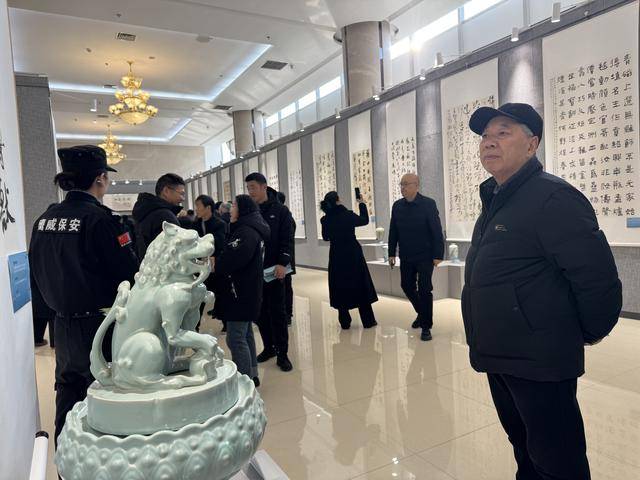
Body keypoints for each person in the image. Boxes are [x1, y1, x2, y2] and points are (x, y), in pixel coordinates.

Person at [464, 103, 622, 479]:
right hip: (500, 355)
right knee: (524, 448)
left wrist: (581, 333)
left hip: (539, 361)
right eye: (485, 135)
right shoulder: (496, 199)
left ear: (532, 144)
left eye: (503, 132)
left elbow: (597, 280)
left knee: (558, 461)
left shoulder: (553, 198)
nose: (489, 142)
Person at [28, 145, 139, 445]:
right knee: (105, 396)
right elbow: (129, 274)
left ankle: (65, 455)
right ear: (100, 178)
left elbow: (35, 272)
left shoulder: (44, 221)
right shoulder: (102, 221)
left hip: (61, 326)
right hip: (100, 326)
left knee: (67, 390)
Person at [214, 194, 270, 387]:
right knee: (245, 334)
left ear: (243, 209)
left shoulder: (245, 232)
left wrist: (218, 262)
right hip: (247, 289)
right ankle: (251, 375)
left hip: (240, 291)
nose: (231, 209)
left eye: (234, 206)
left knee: (235, 338)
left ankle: (244, 381)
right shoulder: (250, 228)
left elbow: (233, 260)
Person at [245, 172, 294, 372]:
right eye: (248, 188)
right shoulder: (250, 211)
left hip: (274, 270)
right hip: (254, 272)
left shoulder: (280, 211)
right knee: (259, 312)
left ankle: (283, 354)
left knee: (277, 312)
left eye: (253, 187)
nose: (250, 192)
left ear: (264, 187)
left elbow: (286, 238)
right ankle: (269, 347)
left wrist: (283, 263)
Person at [388, 173, 445, 341]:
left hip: (425, 255)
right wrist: (391, 252)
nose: (403, 188)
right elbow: (393, 230)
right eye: (401, 184)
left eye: (406, 184)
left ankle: (426, 326)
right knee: (406, 285)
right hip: (406, 255)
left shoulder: (428, 204)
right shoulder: (397, 206)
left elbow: (436, 230)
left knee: (425, 289)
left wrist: (438, 254)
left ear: (416, 185)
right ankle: (422, 313)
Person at [320, 191, 378, 329]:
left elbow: (325, 237)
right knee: (360, 284)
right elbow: (364, 220)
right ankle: (368, 321)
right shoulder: (347, 215)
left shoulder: (325, 219)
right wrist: (361, 203)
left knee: (340, 285)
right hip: (353, 254)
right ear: (338, 201)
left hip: (336, 255)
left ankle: (345, 321)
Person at [193, 194, 228, 331]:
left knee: (221, 294)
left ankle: (226, 323)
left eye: (198, 206)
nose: (196, 209)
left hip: (215, 264)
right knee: (199, 296)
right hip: (200, 266)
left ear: (208, 208)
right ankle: (195, 326)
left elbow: (219, 243)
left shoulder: (219, 224)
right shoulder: (195, 224)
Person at [132, 173, 185, 259]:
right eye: (181, 194)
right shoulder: (165, 216)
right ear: (166, 191)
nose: (183, 198)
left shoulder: (146, 211)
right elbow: (173, 254)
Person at [277, 191, 296, 325]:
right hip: (282, 258)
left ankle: (287, 314)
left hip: (285, 259)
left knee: (286, 286)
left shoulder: (285, 216)